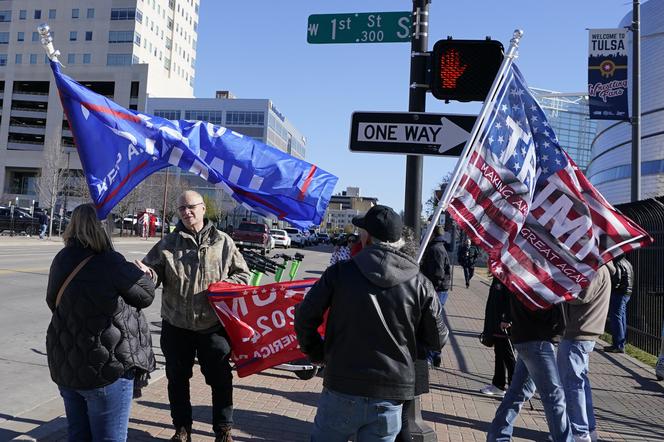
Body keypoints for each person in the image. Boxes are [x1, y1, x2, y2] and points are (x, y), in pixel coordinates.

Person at [295, 204, 448, 441]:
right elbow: (438, 337)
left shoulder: (340, 273)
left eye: (362, 231)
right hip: (389, 392)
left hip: (342, 385)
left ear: (368, 237)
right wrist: (409, 350)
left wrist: (317, 351)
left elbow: (305, 316)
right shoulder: (419, 283)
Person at [136, 190, 251, 442]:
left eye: (190, 207)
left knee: (220, 380)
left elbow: (243, 275)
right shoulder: (169, 243)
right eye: (181, 209)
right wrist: (148, 275)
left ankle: (223, 431)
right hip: (177, 325)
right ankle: (182, 429)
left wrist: (222, 287)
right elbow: (153, 274)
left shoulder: (223, 242)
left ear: (202, 209)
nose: (186, 212)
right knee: (177, 380)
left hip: (213, 326)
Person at [46, 203, 156, 442]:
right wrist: (148, 275)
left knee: (78, 435)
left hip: (68, 364)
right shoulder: (110, 262)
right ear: (103, 227)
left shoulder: (62, 258)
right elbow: (146, 295)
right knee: (110, 437)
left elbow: (51, 301)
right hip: (106, 368)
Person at [487, 288, 572, 442]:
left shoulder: (527, 274)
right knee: (554, 396)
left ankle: (498, 435)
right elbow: (542, 308)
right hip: (537, 339)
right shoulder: (536, 276)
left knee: (519, 391)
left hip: (528, 336)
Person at [557, 263, 613, 442]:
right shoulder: (599, 267)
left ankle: (580, 432)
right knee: (579, 384)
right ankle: (587, 429)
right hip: (581, 331)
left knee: (573, 385)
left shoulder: (596, 268)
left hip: (579, 331)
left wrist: (560, 287)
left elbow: (582, 296)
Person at [420, 224, 451, 367]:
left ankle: (432, 355)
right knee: (434, 320)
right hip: (438, 289)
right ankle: (435, 355)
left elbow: (438, 273)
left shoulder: (435, 249)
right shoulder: (438, 247)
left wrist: (430, 289)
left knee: (432, 322)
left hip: (436, 290)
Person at [479, 278, 515, 398]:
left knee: (508, 356)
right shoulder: (499, 275)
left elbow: (512, 298)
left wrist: (507, 318)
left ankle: (514, 388)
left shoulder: (509, 273)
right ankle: (498, 385)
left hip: (504, 324)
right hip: (496, 321)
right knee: (499, 353)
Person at [604, 255, 634, 353]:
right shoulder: (626, 262)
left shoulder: (617, 262)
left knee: (616, 317)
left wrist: (612, 289)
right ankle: (621, 342)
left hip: (619, 292)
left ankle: (618, 345)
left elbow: (617, 278)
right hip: (627, 292)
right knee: (621, 317)